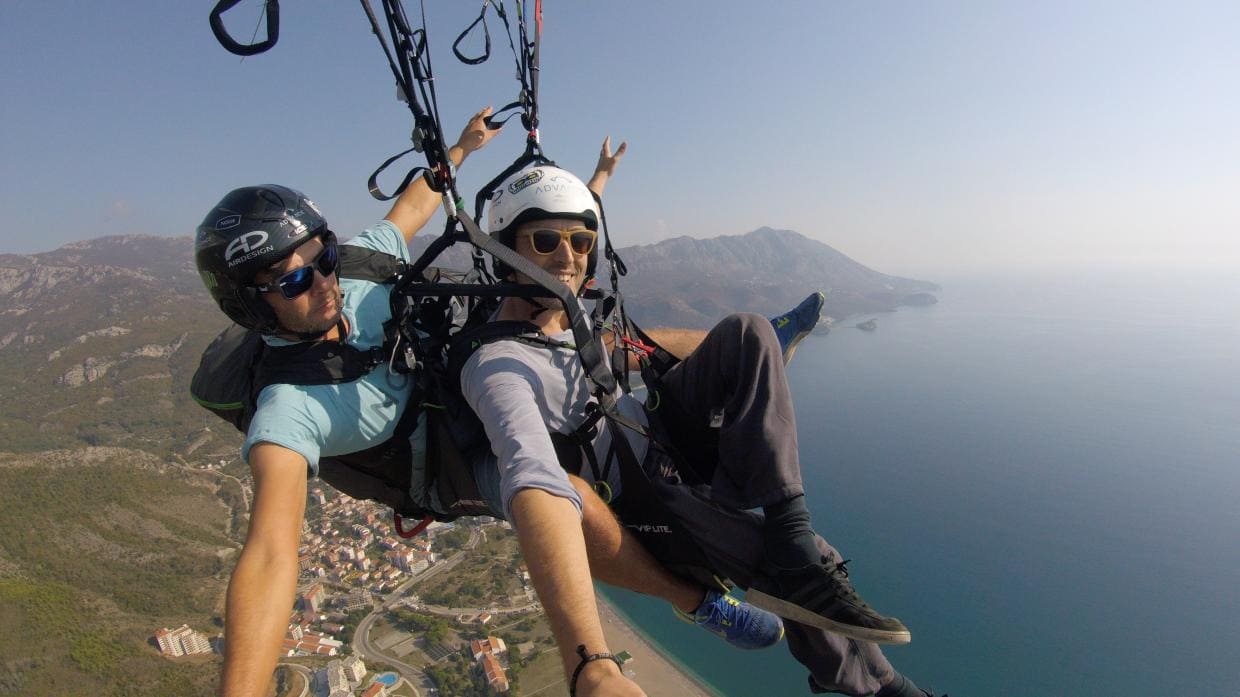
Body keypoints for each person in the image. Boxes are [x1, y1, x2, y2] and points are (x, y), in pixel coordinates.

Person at [194, 113, 787, 697]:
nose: (322, 282)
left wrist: (462, 148)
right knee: (560, 491)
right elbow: (270, 556)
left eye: (320, 258)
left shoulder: (355, 268)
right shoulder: (290, 407)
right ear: (247, 304)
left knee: (618, 345)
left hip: (463, 360)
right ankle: (689, 608)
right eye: (292, 281)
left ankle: (748, 348)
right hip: (450, 457)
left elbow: (412, 207)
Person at [461, 158, 943, 696]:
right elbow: (534, 482)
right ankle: (880, 688)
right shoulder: (499, 367)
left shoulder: (566, 320)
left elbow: (616, 335)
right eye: (544, 240)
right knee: (812, 569)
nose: (568, 257)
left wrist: (597, 181)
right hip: (647, 501)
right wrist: (591, 664)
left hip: (656, 435)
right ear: (503, 252)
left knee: (748, 332)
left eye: (580, 241)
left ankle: (789, 525)